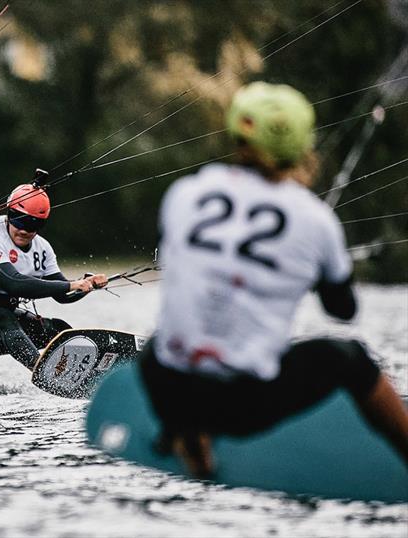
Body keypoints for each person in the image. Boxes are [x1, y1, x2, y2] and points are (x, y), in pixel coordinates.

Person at [139, 81, 408, 476]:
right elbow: (343, 310)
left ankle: (191, 441)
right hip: (245, 404)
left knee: (167, 341)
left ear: (237, 136)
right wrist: (313, 274)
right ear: (300, 147)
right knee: (351, 357)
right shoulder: (315, 219)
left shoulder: (185, 192)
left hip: (167, 388)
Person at [0, 184, 108, 370]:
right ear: (9, 214)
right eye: (19, 221)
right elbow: (13, 283)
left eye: (34, 225)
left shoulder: (43, 248)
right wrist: (72, 285)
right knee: (3, 317)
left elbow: (63, 295)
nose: (24, 230)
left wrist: (87, 285)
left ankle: (89, 372)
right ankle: (42, 371)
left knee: (59, 330)